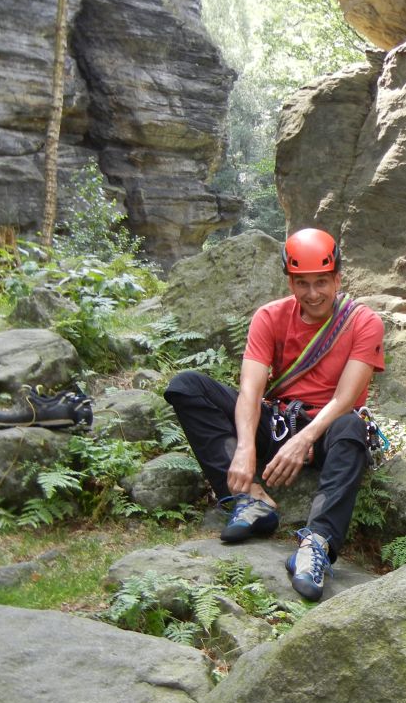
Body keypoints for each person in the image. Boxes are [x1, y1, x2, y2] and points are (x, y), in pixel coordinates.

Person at [165, 228, 385, 601]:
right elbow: (250, 390)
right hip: (279, 421)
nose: (312, 294)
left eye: (321, 282)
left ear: (337, 279)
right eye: (302, 283)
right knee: (186, 385)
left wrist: (305, 439)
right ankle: (249, 499)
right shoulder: (269, 317)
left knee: (352, 427)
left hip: (327, 428)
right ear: (290, 281)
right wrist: (245, 447)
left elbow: (345, 399)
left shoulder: (363, 323)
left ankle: (317, 543)